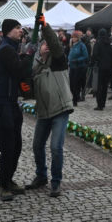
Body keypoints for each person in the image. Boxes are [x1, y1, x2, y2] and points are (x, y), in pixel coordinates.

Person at [25, 23, 73, 197]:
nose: (47, 46)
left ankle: (56, 182)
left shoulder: (59, 60)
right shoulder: (36, 65)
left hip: (60, 109)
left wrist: (45, 27)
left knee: (55, 147)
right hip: (44, 111)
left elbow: (55, 43)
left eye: (48, 44)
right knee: (37, 145)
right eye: (43, 44)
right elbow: (30, 84)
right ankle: (41, 176)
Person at [0, 18, 32, 202]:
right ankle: (3, 185)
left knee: (16, 145)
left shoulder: (11, 48)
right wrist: (29, 55)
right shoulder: (6, 49)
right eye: (17, 28)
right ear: (8, 31)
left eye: (20, 28)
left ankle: (9, 179)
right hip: (1, 103)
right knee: (8, 146)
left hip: (11, 102)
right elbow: (18, 70)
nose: (20, 31)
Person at [92, 28, 112, 110]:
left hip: (100, 67)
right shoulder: (110, 43)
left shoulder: (98, 43)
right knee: (105, 86)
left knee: (99, 86)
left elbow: (95, 55)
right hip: (108, 67)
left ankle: (99, 104)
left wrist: (96, 62)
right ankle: (103, 103)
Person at [67, 30, 89, 107]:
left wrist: (77, 60)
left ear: (77, 38)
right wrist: (68, 60)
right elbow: (70, 54)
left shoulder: (82, 45)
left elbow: (86, 56)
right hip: (72, 67)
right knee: (71, 84)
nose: (73, 39)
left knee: (76, 84)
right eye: (72, 37)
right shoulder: (72, 45)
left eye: (74, 37)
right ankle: (75, 97)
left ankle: (75, 100)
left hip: (79, 67)